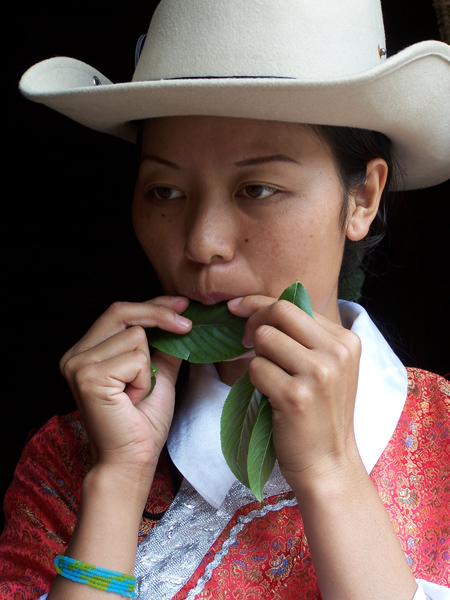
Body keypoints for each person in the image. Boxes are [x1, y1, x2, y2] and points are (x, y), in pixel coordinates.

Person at [1, 0, 449, 598]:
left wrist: (331, 473)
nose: (202, 243)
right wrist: (118, 480)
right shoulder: (70, 461)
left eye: (258, 188)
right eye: (165, 190)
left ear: (363, 197)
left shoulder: (442, 440)